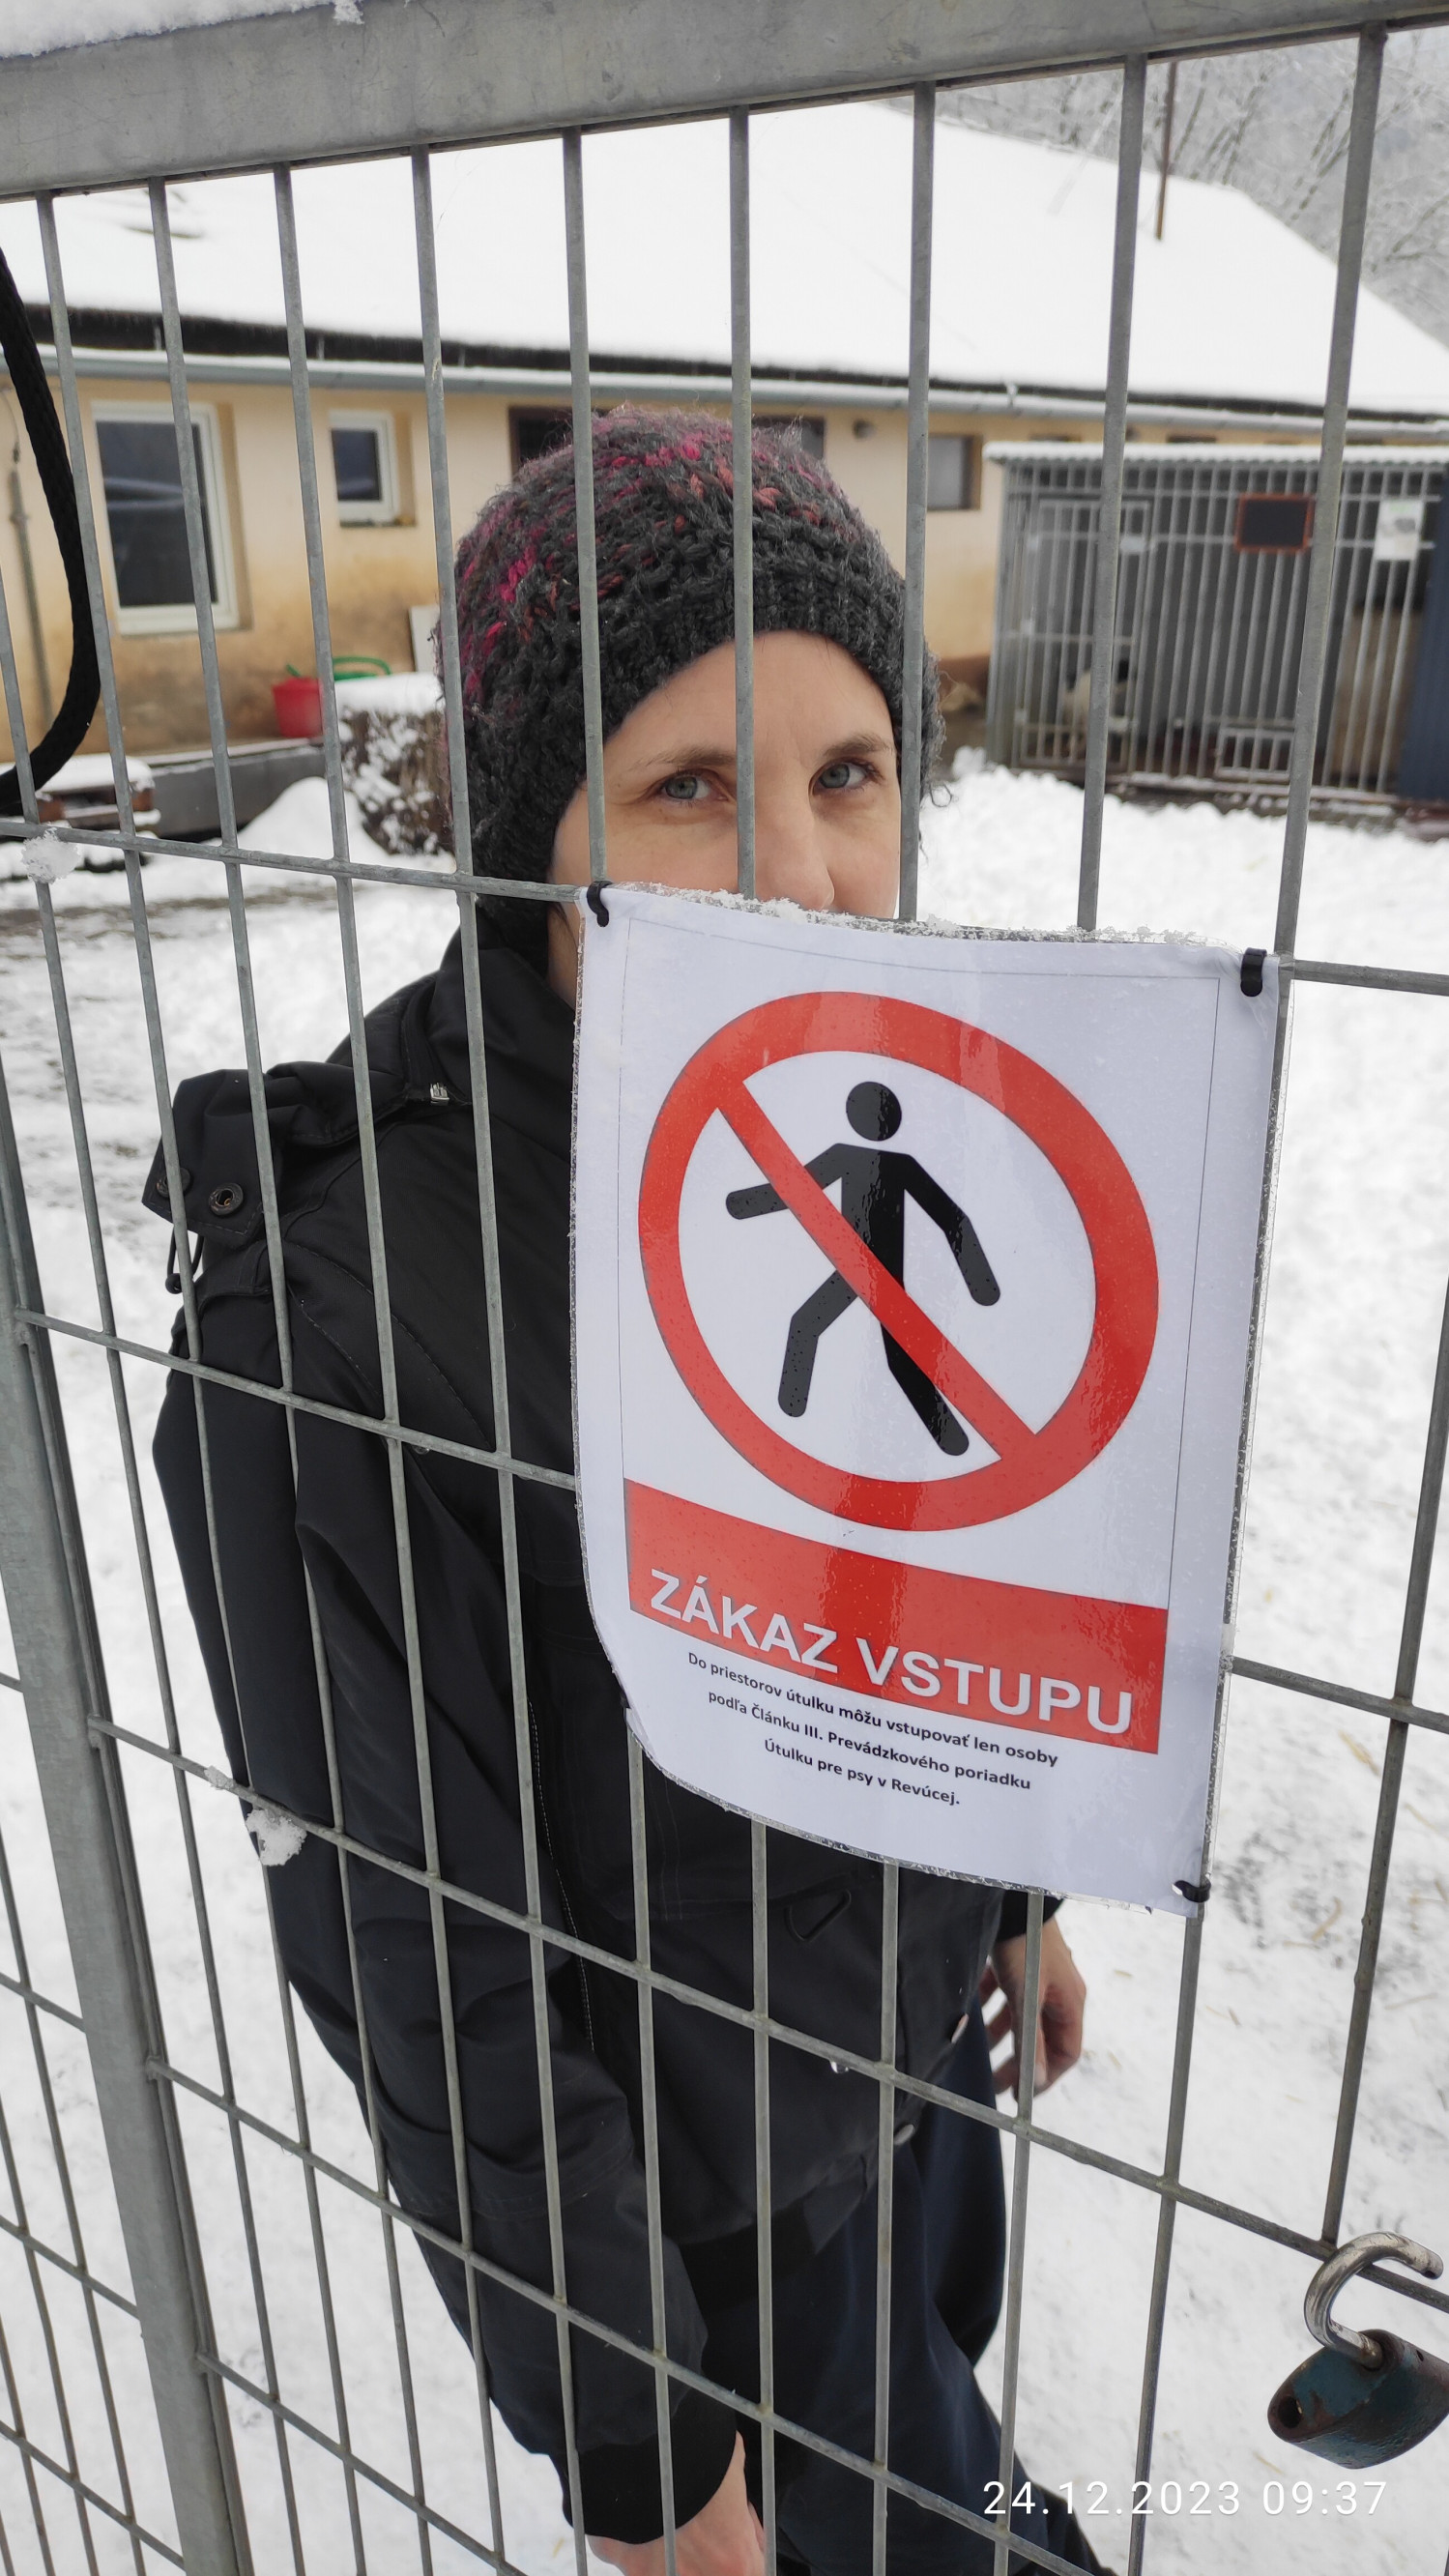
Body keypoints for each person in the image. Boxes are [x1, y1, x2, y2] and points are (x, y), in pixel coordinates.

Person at [149, 412, 1103, 2576]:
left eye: (849, 772)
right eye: (686, 787)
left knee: (936, 2422)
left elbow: (928, 1571)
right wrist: (644, 2451)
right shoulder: (346, 1316)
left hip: (912, 2057)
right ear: (534, 846)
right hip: (694, 2210)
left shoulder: (868, 1129)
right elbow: (425, 1965)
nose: (802, 873)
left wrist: (1008, 1895)